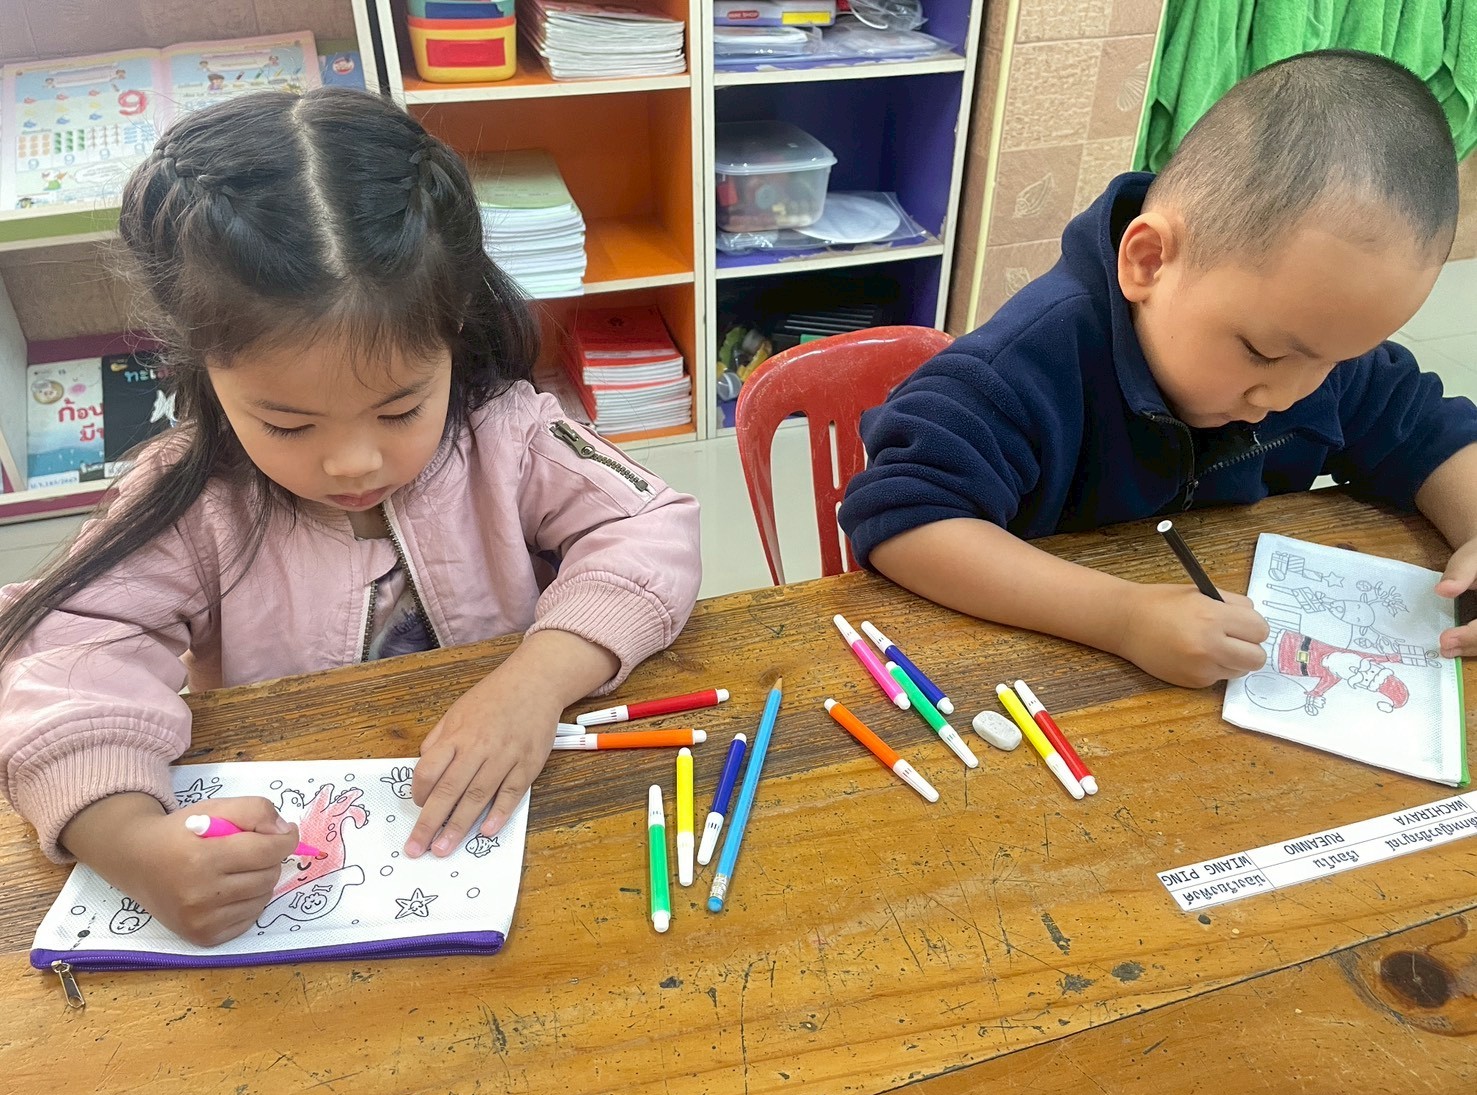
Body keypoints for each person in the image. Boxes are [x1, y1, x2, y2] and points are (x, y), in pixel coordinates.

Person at [0, 88, 701, 946]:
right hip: (298, 867)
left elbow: (650, 527)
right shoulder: (192, 496)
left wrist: (539, 678)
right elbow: (60, 661)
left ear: (452, 330)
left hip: (527, 838)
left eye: (400, 409)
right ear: (200, 364)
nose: (353, 463)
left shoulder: (509, 432)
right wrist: (131, 843)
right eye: (288, 425)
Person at [839, 49, 1477, 688]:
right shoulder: (1019, 370)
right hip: (1039, 683)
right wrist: (1122, 618)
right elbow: (906, 518)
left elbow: (1428, 430)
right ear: (1148, 262)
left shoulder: (1311, 338)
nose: (1288, 393)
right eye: (1263, 353)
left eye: (1340, 358)